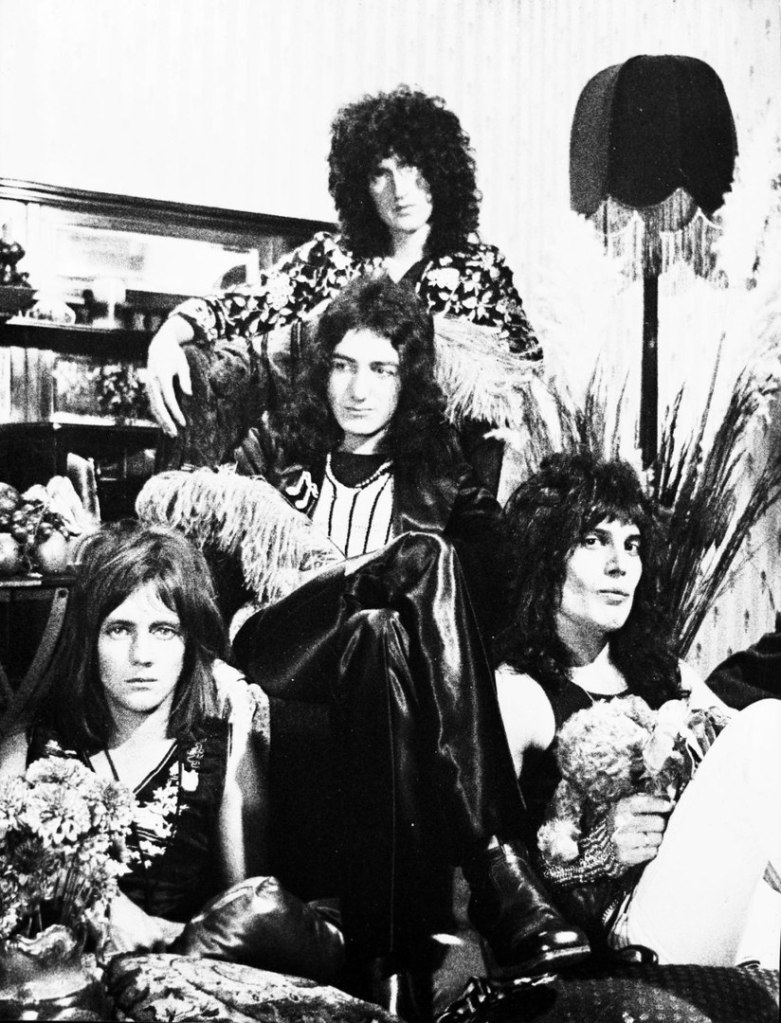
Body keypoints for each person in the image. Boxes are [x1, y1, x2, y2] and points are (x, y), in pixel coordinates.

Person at [137, 276, 590, 993]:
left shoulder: (441, 478)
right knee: (422, 558)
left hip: (369, 669)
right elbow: (205, 571)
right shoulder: (270, 448)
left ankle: (390, 970)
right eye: (343, 365)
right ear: (321, 372)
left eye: (381, 369)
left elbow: (496, 594)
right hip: (278, 647)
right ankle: (495, 861)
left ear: (407, 382)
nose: (357, 388)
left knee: (379, 632)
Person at [145, 84, 541, 494]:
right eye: (381, 174)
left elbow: (526, 378)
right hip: (326, 474)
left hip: (429, 484)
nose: (400, 190)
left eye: (412, 167)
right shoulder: (330, 258)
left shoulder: (479, 270)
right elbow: (245, 305)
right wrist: (168, 337)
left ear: (441, 171)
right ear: (360, 185)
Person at [0, 522, 345, 983]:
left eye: (164, 630)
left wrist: (163, 938)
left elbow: (242, 919)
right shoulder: (32, 745)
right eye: (118, 629)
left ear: (189, 644)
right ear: (88, 640)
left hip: (177, 980)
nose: (141, 654)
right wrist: (97, 900)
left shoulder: (223, 750)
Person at [495, 451, 781, 967]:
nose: (620, 565)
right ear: (544, 555)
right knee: (767, 723)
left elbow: (752, 777)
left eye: (631, 545)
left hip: (713, 907)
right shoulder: (521, 692)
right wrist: (593, 854)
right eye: (593, 540)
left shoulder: (662, 671)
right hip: (623, 931)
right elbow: (491, 876)